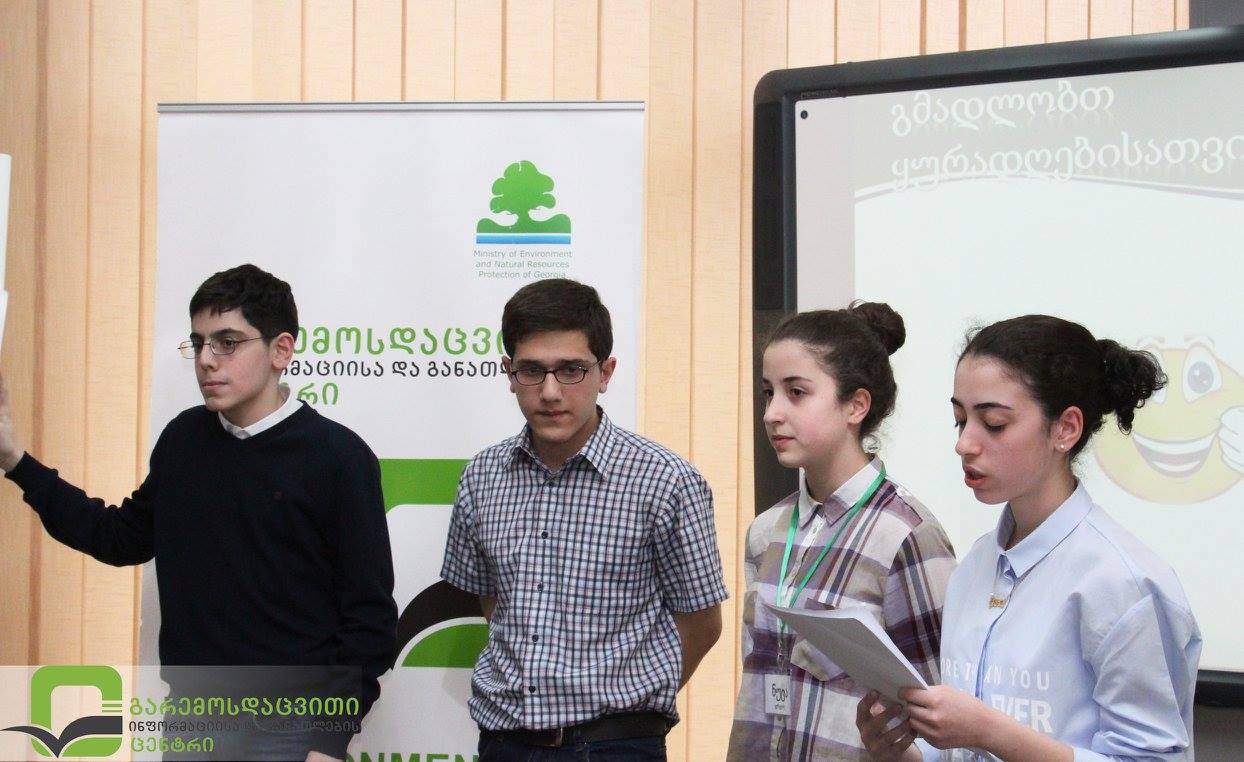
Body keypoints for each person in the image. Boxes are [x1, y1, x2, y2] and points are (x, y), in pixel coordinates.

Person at [0, 264, 398, 762]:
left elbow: (369, 615)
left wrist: (329, 741)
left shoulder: (338, 457)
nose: (207, 360)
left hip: (292, 727)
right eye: (198, 343)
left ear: (281, 350)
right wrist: (15, 460)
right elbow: (119, 537)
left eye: (227, 342)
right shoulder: (184, 439)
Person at [857, 315, 1201, 762]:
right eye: (960, 420)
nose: (965, 444)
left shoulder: (1123, 582)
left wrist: (990, 732)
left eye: (994, 423)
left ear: (1066, 429)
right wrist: (902, 752)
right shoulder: (975, 566)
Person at [440, 278, 729, 761]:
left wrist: (624, 699)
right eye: (532, 371)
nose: (550, 392)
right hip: (505, 742)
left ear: (605, 372)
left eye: (571, 370)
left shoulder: (665, 480)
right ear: (509, 373)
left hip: (616, 744)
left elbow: (702, 622)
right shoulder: (482, 475)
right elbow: (494, 602)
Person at [727, 303, 956, 761]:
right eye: (768, 393)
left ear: (856, 405)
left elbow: (943, 715)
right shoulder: (766, 531)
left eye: (796, 393)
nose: (772, 413)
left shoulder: (907, 534)